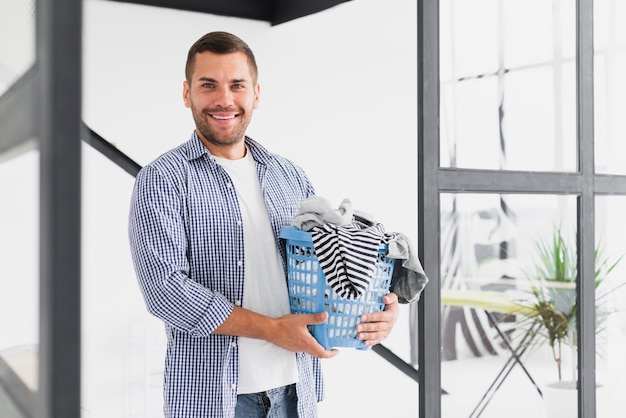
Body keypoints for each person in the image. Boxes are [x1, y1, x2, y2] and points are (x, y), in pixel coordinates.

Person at [128, 31, 400, 418]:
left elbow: (330, 262)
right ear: (187, 93)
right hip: (214, 399)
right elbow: (165, 290)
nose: (225, 100)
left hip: (296, 392)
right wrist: (273, 329)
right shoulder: (163, 179)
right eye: (209, 85)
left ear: (256, 94)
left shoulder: (290, 176)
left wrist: (377, 311)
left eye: (237, 85)